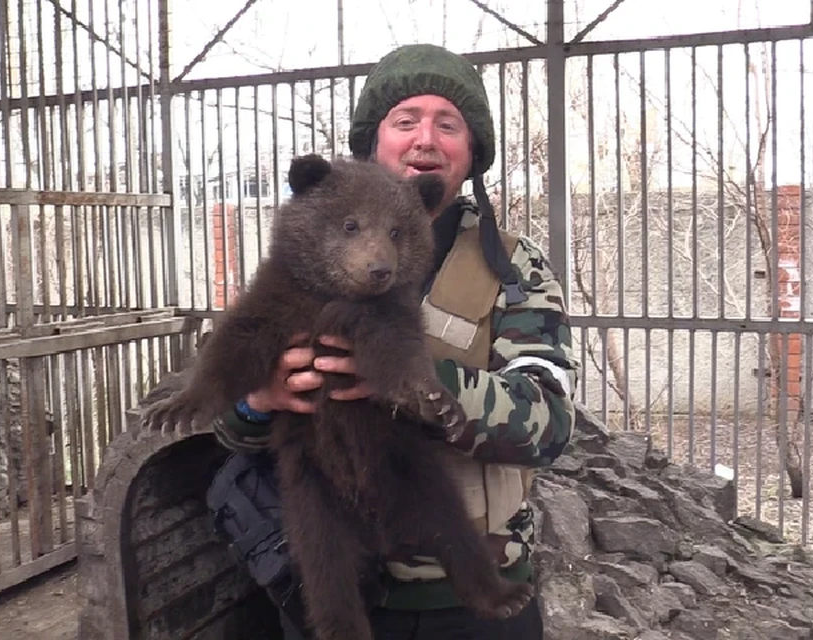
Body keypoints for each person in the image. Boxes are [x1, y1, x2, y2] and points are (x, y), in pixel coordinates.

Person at [210, 43, 578, 640]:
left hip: (470, 593)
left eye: (448, 124)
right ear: (372, 141)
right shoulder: (309, 256)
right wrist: (261, 399)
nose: (426, 139)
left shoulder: (513, 268)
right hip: (330, 583)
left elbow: (552, 422)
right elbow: (226, 423)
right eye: (405, 121)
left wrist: (416, 385)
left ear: (472, 151)